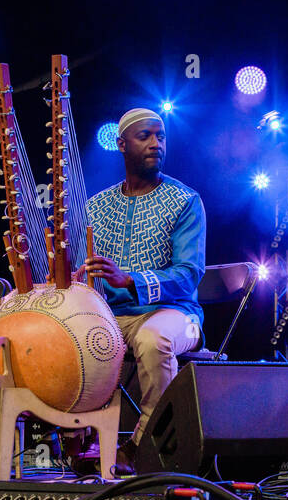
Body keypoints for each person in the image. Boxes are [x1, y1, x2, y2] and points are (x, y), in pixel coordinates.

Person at [69, 107, 206, 473]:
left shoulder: (185, 202)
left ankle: (142, 446)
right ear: (122, 144)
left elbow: (189, 274)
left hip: (174, 313)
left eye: (160, 136)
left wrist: (130, 279)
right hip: (112, 318)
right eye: (145, 136)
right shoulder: (96, 207)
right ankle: (75, 437)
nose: (155, 144)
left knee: (153, 340)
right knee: (65, 337)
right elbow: (87, 274)